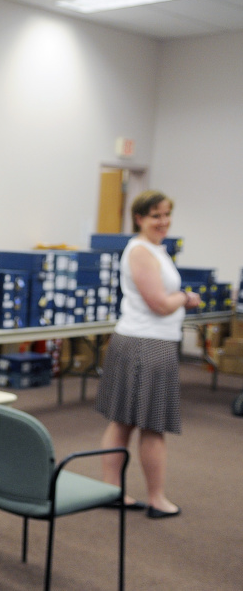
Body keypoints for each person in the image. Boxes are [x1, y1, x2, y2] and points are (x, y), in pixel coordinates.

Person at [95, 190, 200, 520]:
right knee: (149, 426)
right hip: (146, 344)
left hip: (149, 342)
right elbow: (158, 303)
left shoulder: (155, 249)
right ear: (139, 218)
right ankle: (155, 499)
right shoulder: (140, 251)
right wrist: (185, 297)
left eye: (167, 215)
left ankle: (116, 491)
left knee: (126, 422)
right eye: (156, 215)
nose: (164, 221)